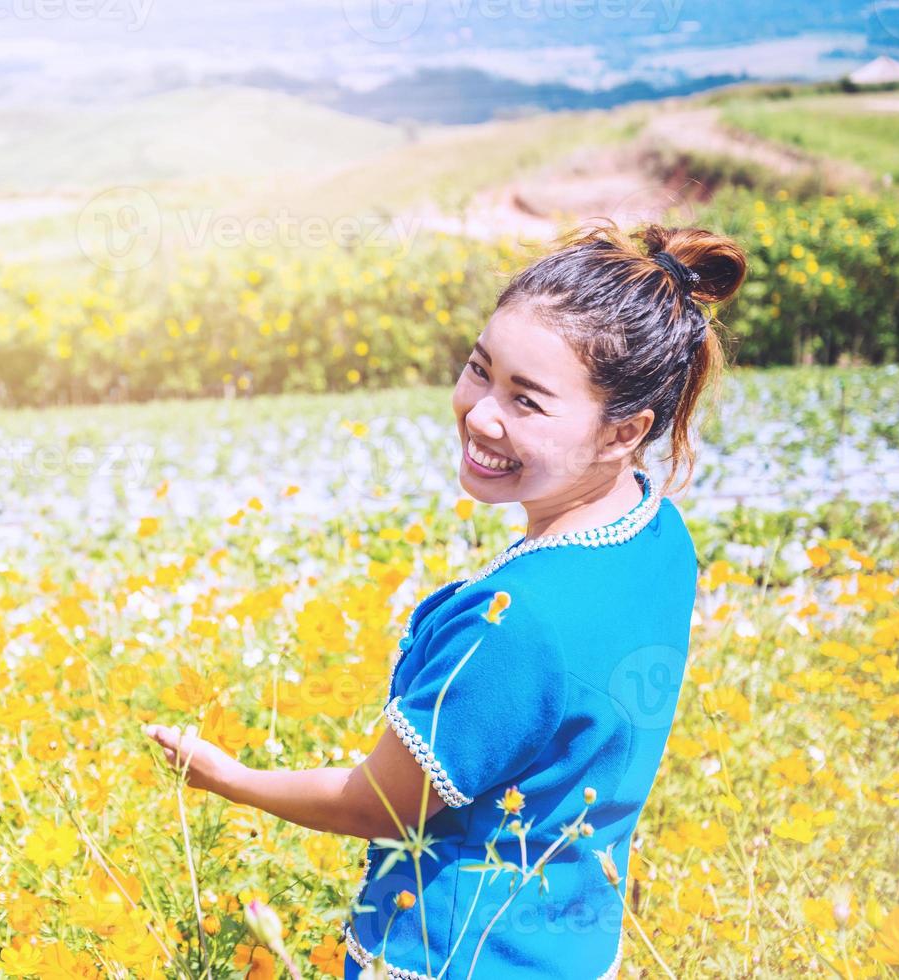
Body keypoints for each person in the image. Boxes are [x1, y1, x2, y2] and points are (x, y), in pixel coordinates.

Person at [145, 220, 747, 979]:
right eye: (479, 369)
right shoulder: (657, 532)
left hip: (448, 958)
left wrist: (230, 780)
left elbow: (379, 805)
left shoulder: (515, 622)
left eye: (527, 401)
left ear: (622, 431)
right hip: (570, 953)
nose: (480, 413)